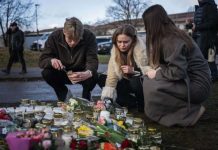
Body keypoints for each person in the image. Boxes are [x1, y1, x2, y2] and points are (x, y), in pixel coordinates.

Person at [142, 5, 212, 127]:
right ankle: (183, 110)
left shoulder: (171, 40)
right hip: (193, 81)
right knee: (149, 81)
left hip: (198, 86)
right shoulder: (171, 36)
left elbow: (178, 72)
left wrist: (157, 73)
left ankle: (191, 114)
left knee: (151, 85)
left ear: (152, 24)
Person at [39, 17, 98, 101]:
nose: (73, 43)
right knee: (46, 73)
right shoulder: (54, 37)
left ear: (82, 35)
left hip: (81, 72)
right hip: (63, 72)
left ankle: (86, 97)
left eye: (77, 39)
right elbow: (42, 60)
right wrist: (51, 61)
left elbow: (92, 59)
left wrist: (88, 72)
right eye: (70, 39)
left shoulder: (89, 36)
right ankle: (63, 93)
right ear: (64, 32)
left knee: (94, 74)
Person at [100, 24, 151, 112]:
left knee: (135, 79)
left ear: (133, 40)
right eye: (119, 42)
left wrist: (134, 71)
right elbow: (111, 77)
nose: (122, 45)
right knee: (102, 78)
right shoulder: (115, 52)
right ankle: (130, 102)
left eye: (126, 42)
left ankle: (142, 106)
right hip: (125, 81)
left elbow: (151, 70)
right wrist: (107, 100)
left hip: (142, 82)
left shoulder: (143, 49)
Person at [192, 0, 218, 81]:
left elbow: (213, 23)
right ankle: (204, 77)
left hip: (209, 39)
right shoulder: (199, 8)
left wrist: (197, 28)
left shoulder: (211, 7)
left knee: (208, 59)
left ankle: (213, 76)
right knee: (200, 58)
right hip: (198, 37)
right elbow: (198, 23)